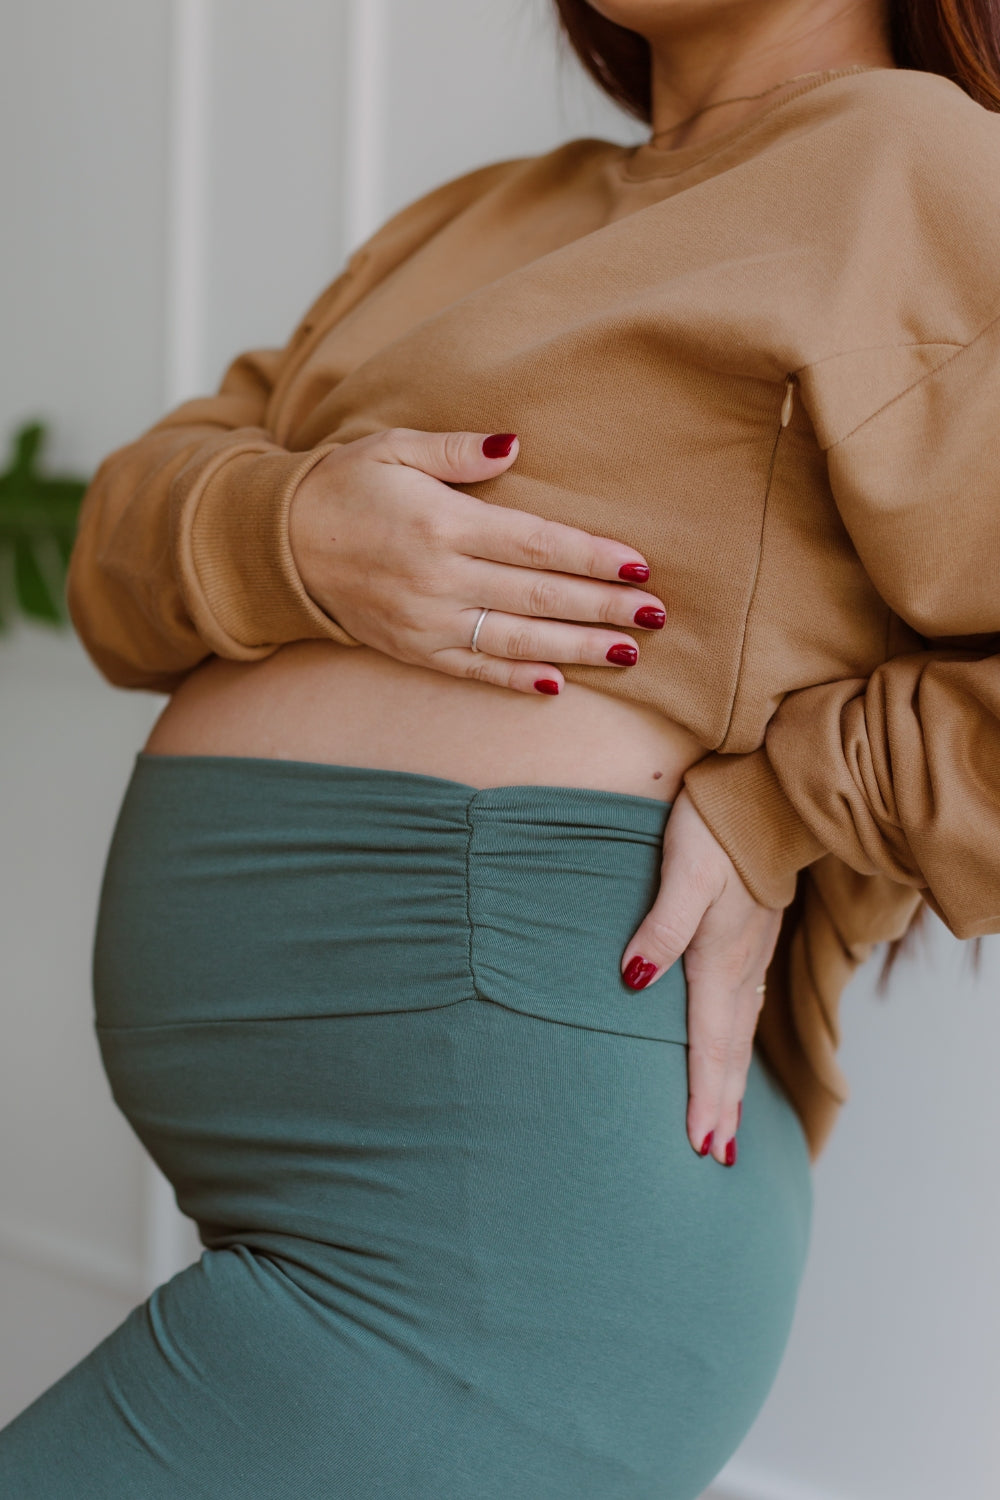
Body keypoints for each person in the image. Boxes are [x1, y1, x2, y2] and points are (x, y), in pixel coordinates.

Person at [3, 0, 999, 1494]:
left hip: (522, 1251)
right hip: (373, 1213)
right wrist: (296, 533)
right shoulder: (484, 216)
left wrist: (800, 797)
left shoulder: (924, 167)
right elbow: (119, 560)